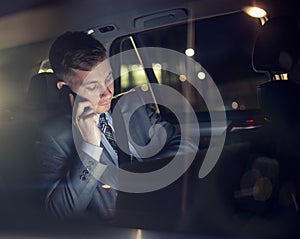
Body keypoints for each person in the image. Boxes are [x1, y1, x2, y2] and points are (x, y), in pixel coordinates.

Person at [36, 31, 197, 220]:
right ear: (65, 87)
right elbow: (59, 214)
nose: (107, 93)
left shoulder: (133, 105)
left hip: (167, 213)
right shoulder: (53, 136)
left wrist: (144, 177)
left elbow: (186, 144)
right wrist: (90, 147)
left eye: (108, 78)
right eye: (92, 86)